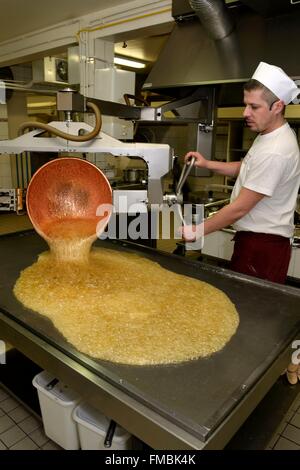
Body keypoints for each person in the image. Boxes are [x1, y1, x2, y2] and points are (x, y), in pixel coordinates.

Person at [182, 61, 300, 383]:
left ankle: (264, 370)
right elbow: (244, 167)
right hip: (256, 242)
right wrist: (209, 163)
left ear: (278, 106)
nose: (246, 112)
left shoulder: (277, 150)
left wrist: (197, 229)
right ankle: (278, 360)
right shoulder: (267, 136)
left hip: (263, 246)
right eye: (245, 104)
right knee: (254, 309)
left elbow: (238, 209)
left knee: (255, 314)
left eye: (253, 106)